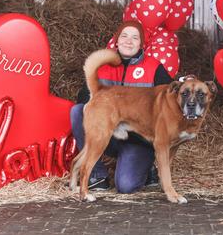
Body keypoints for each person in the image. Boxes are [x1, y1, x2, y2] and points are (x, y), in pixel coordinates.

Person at [70, 20, 173, 193]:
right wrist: (101, 102)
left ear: (141, 43)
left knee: (126, 186)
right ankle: (96, 175)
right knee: (78, 110)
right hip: (110, 132)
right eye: (124, 36)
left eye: (135, 37)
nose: (129, 41)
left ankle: (148, 171)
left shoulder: (154, 68)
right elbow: (83, 98)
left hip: (138, 140)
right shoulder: (103, 68)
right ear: (116, 40)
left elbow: (171, 98)